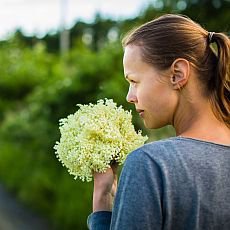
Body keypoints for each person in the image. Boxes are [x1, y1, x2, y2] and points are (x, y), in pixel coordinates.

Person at [87, 14, 230, 230]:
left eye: (134, 81)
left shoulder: (151, 164)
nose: (130, 96)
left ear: (177, 74)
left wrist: (102, 202)